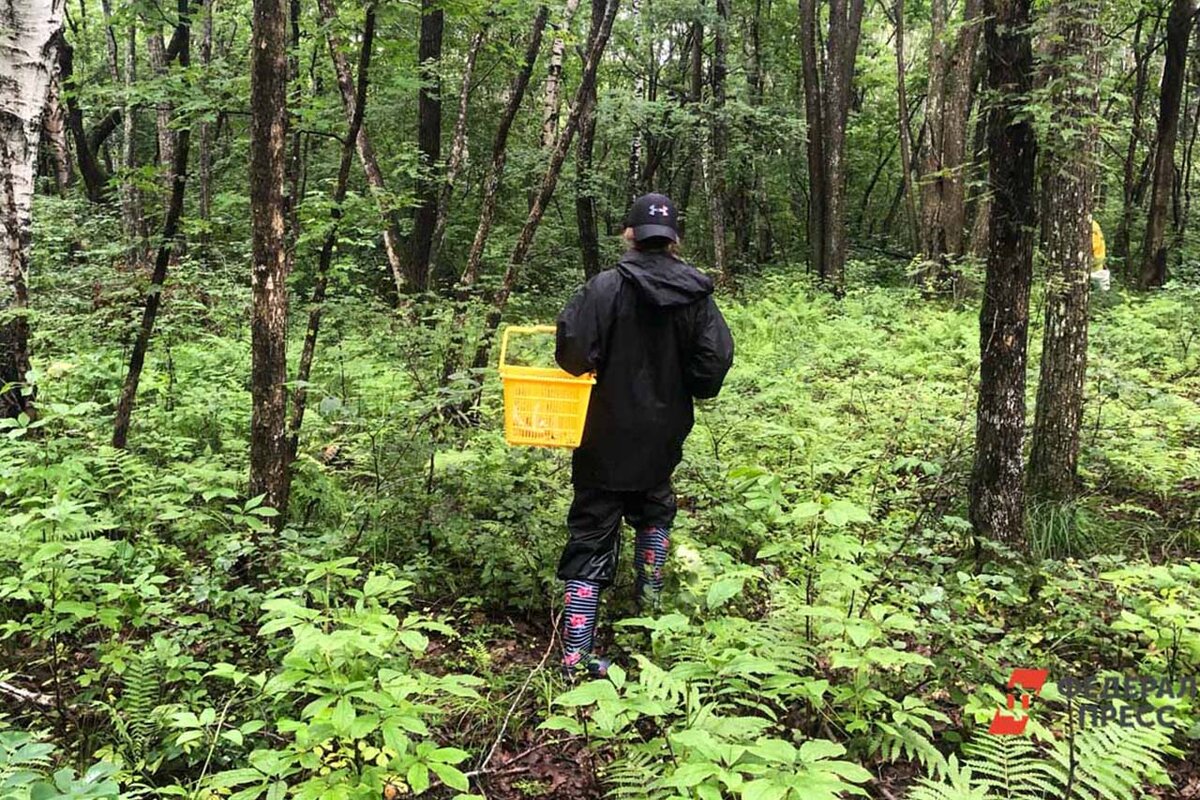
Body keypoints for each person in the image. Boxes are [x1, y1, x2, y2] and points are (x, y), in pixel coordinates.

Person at [553, 193, 735, 679]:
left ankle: (575, 658)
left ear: (629, 235)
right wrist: (685, 385)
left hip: (601, 436)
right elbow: (713, 364)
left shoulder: (604, 289)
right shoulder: (697, 296)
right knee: (654, 511)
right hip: (663, 437)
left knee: (591, 533)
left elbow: (571, 354)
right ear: (674, 239)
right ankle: (651, 621)